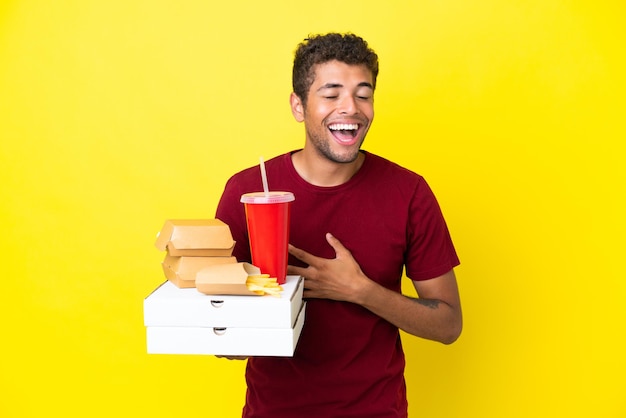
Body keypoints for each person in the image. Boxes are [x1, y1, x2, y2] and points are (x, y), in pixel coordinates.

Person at [216, 32, 462, 418]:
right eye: (331, 94)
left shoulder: (408, 192)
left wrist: (360, 290)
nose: (351, 108)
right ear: (299, 106)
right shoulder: (246, 191)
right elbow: (227, 345)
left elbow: (448, 325)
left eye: (363, 95)